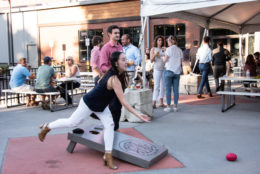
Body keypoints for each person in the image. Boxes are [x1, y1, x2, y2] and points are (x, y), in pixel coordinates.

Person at [38, 51, 151, 170]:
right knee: (72, 122)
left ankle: (108, 156)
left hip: (101, 106)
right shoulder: (114, 79)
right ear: (116, 63)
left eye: (126, 59)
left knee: (110, 124)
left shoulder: (114, 72)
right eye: (123, 60)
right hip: (89, 103)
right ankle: (47, 127)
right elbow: (123, 102)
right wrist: (139, 115)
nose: (126, 62)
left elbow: (99, 81)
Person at [99, 25, 123, 131]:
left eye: (118, 33)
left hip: (120, 79)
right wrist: (113, 69)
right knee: (113, 106)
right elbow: (102, 66)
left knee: (118, 105)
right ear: (109, 34)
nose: (118, 35)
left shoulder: (120, 47)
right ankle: (111, 129)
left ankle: (115, 128)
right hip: (110, 80)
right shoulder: (106, 48)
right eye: (115, 33)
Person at [163, 36, 183, 112]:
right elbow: (181, 61)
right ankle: (175, 107)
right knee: (176, 90)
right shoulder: (180, 50)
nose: (167, 42)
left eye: (167, 41)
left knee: (168, 90)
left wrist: (162, 58)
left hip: (169, 70)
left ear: (170, 41)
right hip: (177, 71)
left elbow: (165, 60)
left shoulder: (168, 49)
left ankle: (168, 106)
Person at [150, 35, 166, 108]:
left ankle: (161, 102)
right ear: (156, 41)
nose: (160, 42)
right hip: (157, 68)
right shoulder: (153, 49)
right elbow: (151, 60)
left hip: (164, 68)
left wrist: (166, 50)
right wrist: (155, 55)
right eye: (159, 40)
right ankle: (154, 102)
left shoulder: (163, 49)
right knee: (156, 85)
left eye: (161, 40)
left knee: (163, 86)